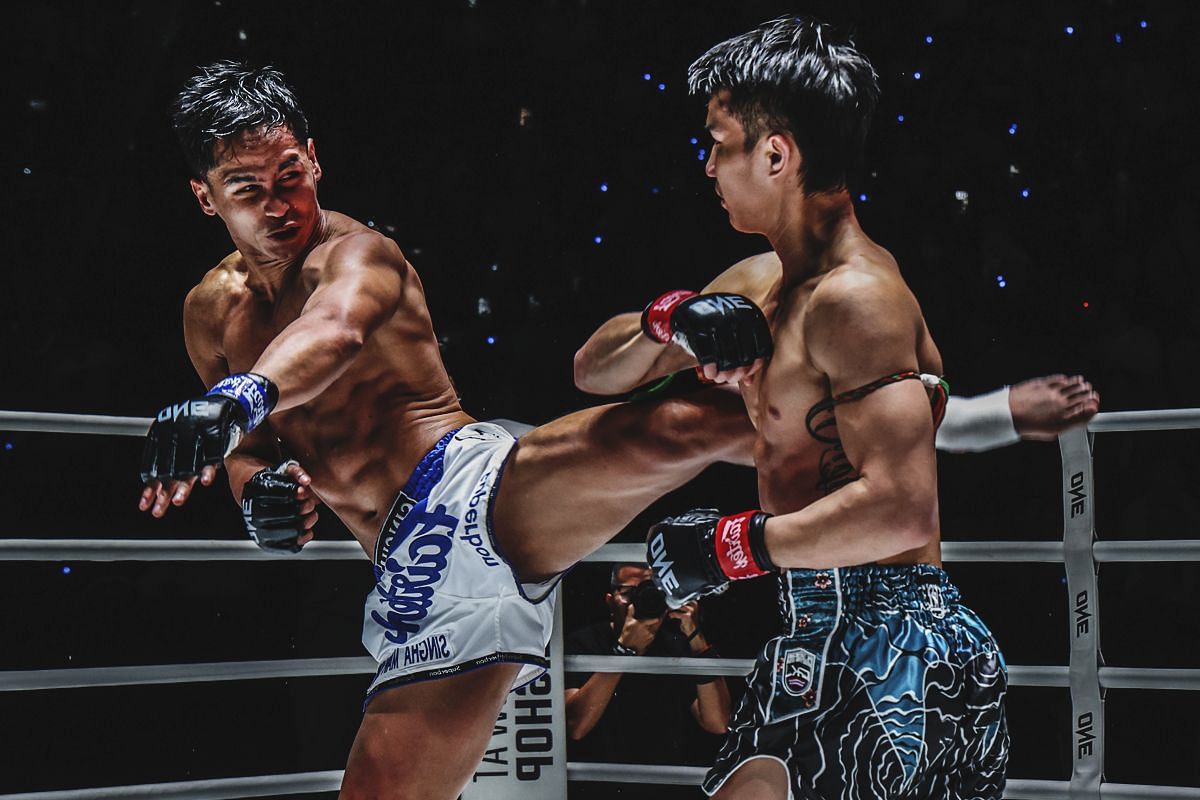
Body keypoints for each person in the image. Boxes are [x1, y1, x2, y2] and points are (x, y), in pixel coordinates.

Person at [136, 61, 760, 800]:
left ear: (315, 159)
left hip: (469, 483)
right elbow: (255, 448)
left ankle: (886, 442)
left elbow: (332, 332)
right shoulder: (208, 313)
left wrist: (239, 397)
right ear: (205, 198)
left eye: (291, 175)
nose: (280, 206)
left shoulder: (358, 255)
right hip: (414, 577)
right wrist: (255, 493)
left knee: (689, 425)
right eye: (248, 190)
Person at [574, 17, 1014, 798]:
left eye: (720, 143)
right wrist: (669, 320)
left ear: (776, 154)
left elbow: (905, 510)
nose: (707, 165)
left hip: (890, 643)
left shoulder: (857, 300)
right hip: (822, 632)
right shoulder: (762, 284)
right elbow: (592, 372)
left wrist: (727, 548)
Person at [565, 563, 731, 778]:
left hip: (664, 781)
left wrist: (696, 637)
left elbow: (717, 722)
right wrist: (623, 652)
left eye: (649, 591)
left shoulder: (675, 646)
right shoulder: (581, 645)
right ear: (609, 600)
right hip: (601, 781)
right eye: (628, 593)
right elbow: (576, 727)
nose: (639, 601)